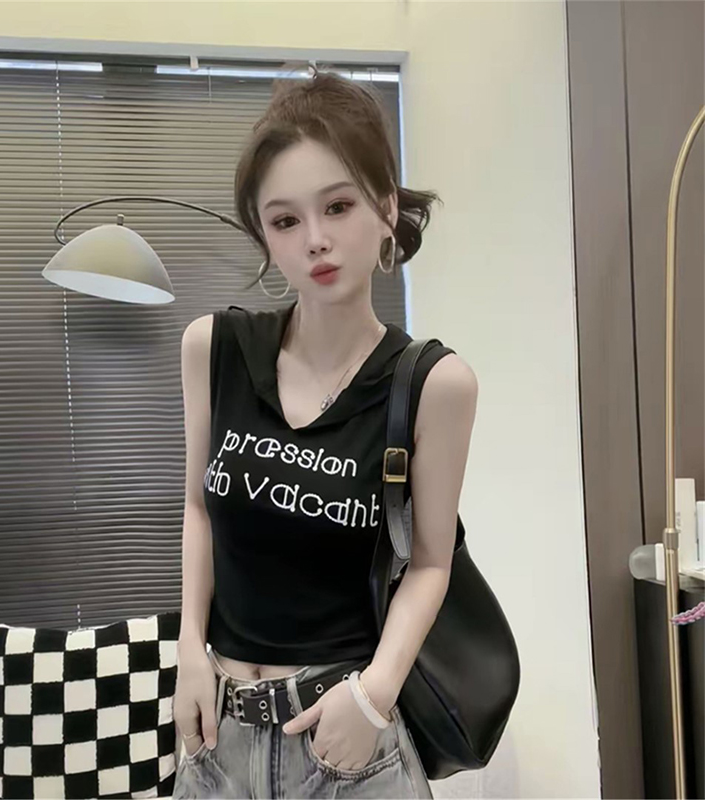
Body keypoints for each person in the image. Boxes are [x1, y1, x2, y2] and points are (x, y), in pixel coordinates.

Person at [171, 67, 478, 799]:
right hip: (216, 738)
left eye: (338, 206)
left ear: (385, 207)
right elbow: (198, 507)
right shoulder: (212, 349)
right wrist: (187, 648)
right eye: (285, 221)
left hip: (344, 742)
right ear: (265, 237)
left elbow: (430, 565)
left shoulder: (433, 383)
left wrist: (373, 698)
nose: (315, 240)